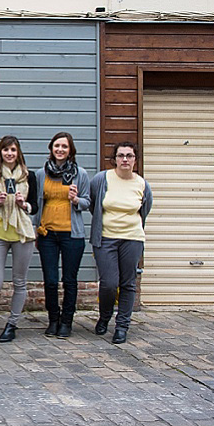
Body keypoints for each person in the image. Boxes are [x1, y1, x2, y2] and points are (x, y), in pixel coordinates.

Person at [89, 141, 152, 345]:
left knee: (128, 283)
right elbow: (93, 204)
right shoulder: (102, 179)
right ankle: (105, 316)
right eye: (121, 155)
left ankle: (122, 326)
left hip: (132, 238)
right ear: (114, 159)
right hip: (105, 238)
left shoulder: (142, 184)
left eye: (129, 155)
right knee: (108, 283)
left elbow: (145, 208)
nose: (125, 159)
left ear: (135, 159)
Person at [0, 136, 40, 344]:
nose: (9, 153)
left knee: (19, 282)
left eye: (13, 150)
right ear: (0, 152)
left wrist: (25, 205)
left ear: (18, 153)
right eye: (5, 150)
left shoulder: (28, 176)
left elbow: (35, 205)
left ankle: (12, 324)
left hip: (22, 233)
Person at [33, 132, 91, 338]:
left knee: (69, 280)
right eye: (57, 146)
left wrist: (76, 200)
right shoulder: (41, 174)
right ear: (51, 148)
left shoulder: (80, 174)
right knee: (50, 280)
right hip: (47, 233)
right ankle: (53, 319)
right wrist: (35, 230)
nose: (60, 150)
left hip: (71, 235)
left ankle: (67, 322)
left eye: (64, 147)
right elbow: (38, 204)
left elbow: (88, 202)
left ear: (70, 150)